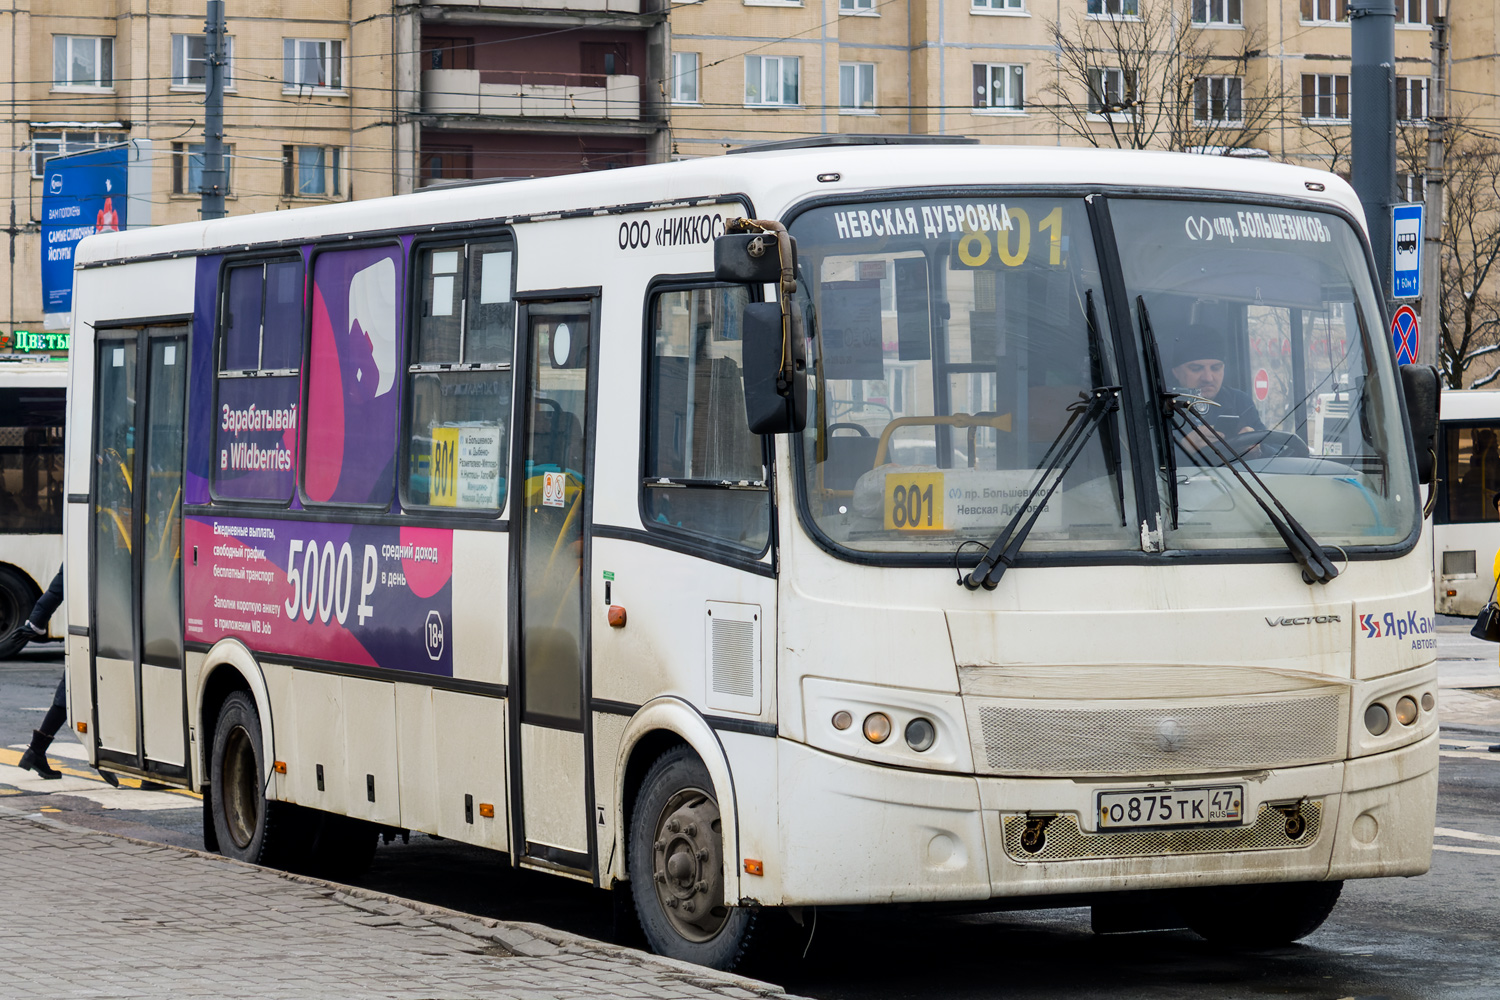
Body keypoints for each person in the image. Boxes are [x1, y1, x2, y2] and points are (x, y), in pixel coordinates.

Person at [0, 568, 114, 783]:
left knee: (72, 686)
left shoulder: (83, 537)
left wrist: (34, 624)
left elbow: (57, 588)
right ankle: (112, 758)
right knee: (100, 688)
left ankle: (36, 750)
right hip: (113, 628)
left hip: (87, 626)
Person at [1165, 324, 1265, 461]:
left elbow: (1276, 449)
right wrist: (1186, 447)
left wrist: (1257, 447)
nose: (1208, 378)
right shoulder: (1158, 407)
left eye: (1216, 368)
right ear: (1175, 372)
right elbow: (1141, 464)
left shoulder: (1240, 402)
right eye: (1196, 369)